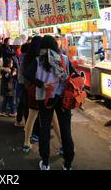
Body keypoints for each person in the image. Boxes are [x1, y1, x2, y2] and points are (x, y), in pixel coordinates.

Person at [24, 35, 75, 170]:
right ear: (55, 45)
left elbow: (26, 74)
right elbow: (74, 76)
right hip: (63, 99)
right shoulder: (64, 59)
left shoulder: (38, 61)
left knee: (44, 129)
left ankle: (45, 163)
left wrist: (41, 84)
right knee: (66, 131)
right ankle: (68, 164)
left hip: (44, 99)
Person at [22, 36, 42, 154]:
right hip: (40, 89)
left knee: (30, 115)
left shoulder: (27, 56)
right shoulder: (39, 58)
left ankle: (27, 140)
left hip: (29, 88)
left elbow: (25, 73)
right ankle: (62, 145)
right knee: (49, 116)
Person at [15, 42, 29, 128]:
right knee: (25, 103)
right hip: (24, 83)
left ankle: (19, 119)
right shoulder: (25, 57)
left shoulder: (21, 56)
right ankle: (27, 123)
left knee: (22, 102)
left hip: (20, 81)